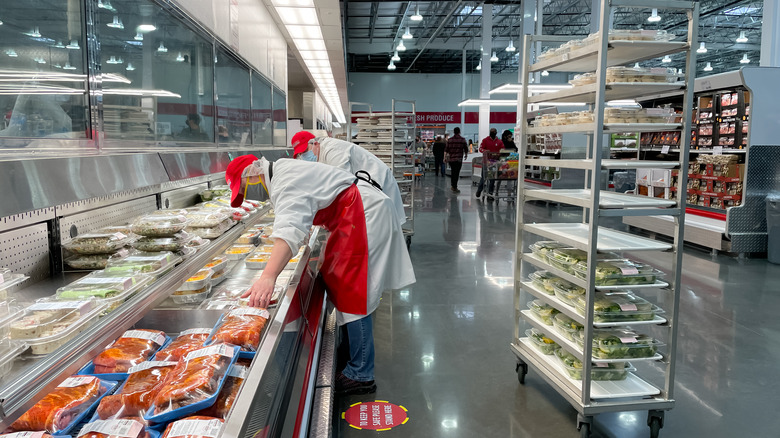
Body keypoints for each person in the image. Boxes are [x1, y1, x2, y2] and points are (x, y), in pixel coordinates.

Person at [225, 155, 415, 396]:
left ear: (251, 174)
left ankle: (361, 374)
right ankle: (353, 353)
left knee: (353, 292)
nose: (250, 194)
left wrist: (268, 276)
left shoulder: (284, 180)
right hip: (352, 214)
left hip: (360, 213)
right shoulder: (283, 171)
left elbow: (289, 229)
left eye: (244, 188)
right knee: (344, 284)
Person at [290, 130, 406, 226]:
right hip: (367, 193)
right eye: (301, 154)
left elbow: (341, 183)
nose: (304, 156)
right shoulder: (321, 154)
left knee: (384, 231)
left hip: (379, 185)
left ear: (315, 143)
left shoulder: (332, 150)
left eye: (305, 151)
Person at [476, 128, 504, 199]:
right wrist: (485, 151)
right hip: (486, 162)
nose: (493, 133)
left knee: (492, 179)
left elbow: (502, 149)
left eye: (494, 132)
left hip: (494, 163)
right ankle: (479, 190)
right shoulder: (485, 140)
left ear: (496, 133)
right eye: (492, 132)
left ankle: (490, 193)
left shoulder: (499, 141)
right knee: (484, 177)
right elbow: (480, 148)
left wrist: (500, 153)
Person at [494, 130, 519, 198]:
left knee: (510, 177)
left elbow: (515, 149)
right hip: (502, 162)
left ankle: (509, 193)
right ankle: (496, 191)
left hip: (510, 162)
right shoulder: (501, 142)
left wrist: (511, 142)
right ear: (505, 136)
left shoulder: (511, 142)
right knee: (500, 177)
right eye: (509, 136)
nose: (510, 137)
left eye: (511, 136)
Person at [444, 127, 468, 193]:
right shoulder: (462, 140)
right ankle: (454, 186)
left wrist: (445, 158)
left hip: (451, 159)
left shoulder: (450, 140)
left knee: (453, 172)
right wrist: (466, 155)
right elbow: (466, 148)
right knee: (457, 173)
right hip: (459, 159)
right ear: (459, 132)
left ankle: (453, 185)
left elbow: (446, 149)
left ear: (454, 132)